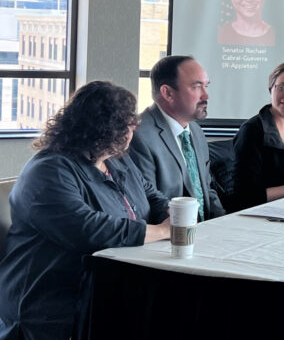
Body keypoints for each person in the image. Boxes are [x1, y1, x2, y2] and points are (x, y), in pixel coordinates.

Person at [0, 81, 171, 340]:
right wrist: (163, 231)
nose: (132, 133)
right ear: (101, 129)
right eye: (125, 126)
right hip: (52, 304)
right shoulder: (48, 171)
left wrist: (172, 213)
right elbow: (88, 230)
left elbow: (152, 196)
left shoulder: (115, 160)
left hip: (109, 288)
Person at [212, 62, 284, 212]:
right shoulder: (252, 131)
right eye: (281, 87)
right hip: (261, 218)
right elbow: (245, 197)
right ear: (271, 90)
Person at [129, 55, 225, 221]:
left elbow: (206, 190)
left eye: (206, 86)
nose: (206, 96)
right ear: (168, 93)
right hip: (170, 235)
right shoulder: (139, 136)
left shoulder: (195, 131)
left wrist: (224, 223)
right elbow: (148, 204)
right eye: (196, 87)